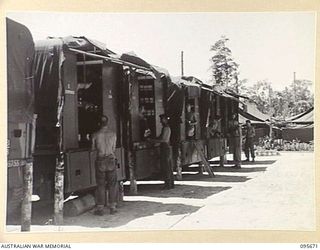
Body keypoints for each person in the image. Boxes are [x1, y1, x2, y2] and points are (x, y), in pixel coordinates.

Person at [91, 115, 118, 216]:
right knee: (112, 184)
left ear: (99, 123)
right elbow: (114, 148)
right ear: (107, 122)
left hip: (100, 160)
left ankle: (100, 208)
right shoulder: (113, 134)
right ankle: (113, 207)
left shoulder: (95, 135)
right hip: (111, 159)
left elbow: (93, 149)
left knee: (100, 185)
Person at [148, 114, 174, 189]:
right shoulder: (165, 128)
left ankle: (168, 184)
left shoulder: (166, 128)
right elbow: (160, 137)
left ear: (165, 119)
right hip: (166, 148)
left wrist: (152, 141)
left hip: (165, 148)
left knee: (166, 167)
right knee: (168, 166)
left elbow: (163, 140)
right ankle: (170, 184)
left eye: (161, 119)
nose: (160, 121)